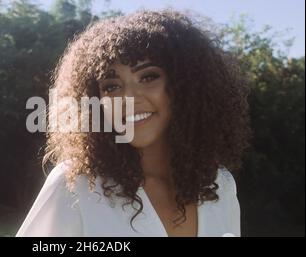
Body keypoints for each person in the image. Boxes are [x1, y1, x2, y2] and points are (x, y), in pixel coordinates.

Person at [16, 9, 251, 237]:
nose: (128, 99)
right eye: (112, 86)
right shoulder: (75, 185)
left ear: (186, 86)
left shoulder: (220, 184)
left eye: (148, 77)